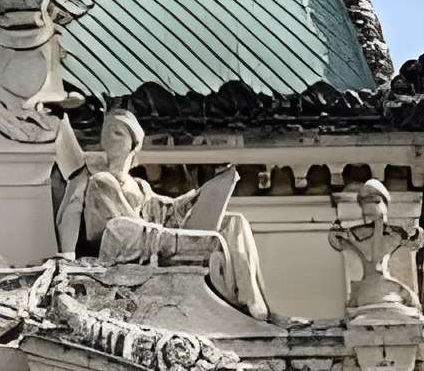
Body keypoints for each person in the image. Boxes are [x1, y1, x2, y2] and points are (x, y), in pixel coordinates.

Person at [59, 109, 271, 320]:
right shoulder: (100, 180)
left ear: (134, 143)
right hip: (127, 245)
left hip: (155, 235)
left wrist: (199, 197)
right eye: (107, 133)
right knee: (125, 226)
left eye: (118, 133)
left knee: (234, 222)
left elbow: (167, 210)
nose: (109, 139)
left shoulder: (140, 186)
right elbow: (110, 227)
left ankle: (251, 301)